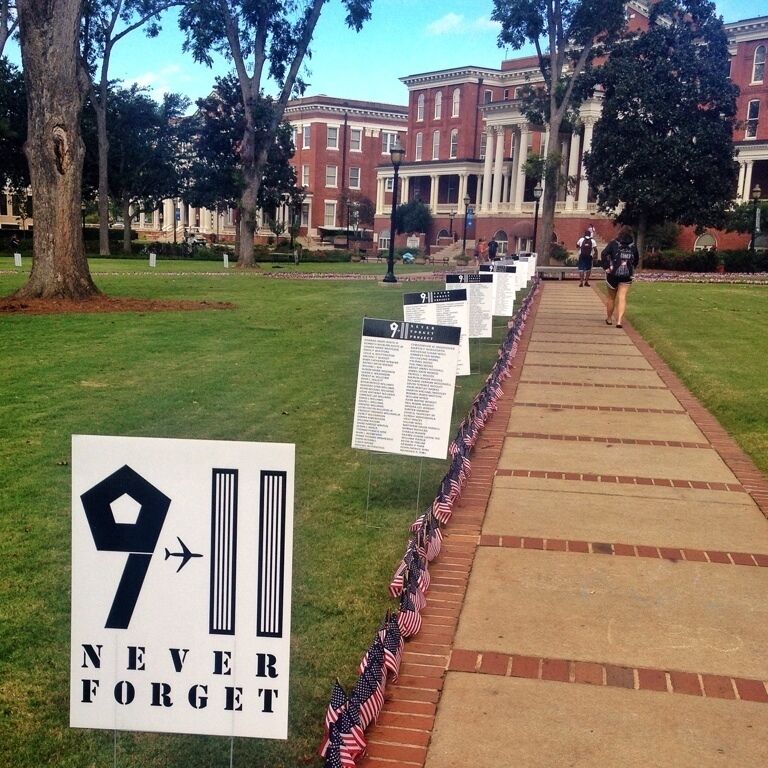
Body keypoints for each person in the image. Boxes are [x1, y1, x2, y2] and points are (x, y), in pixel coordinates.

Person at [601, 226, 640, 328]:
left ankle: (609, 319)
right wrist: (632, 268)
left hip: (613, 274)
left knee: (611, 298)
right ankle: (619, 321)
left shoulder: (613, 243)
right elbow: (636, 259)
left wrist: (606, 267)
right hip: (627, 275)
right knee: (622, 297)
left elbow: (604, 254)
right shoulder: (633, 246)